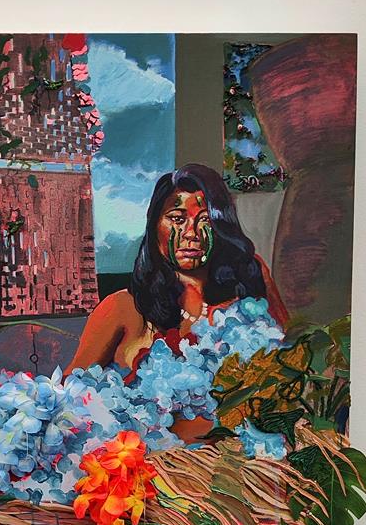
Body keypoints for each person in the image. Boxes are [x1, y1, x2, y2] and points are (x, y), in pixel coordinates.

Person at [69, 163, 289, 441]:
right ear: (155, 225)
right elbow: (70, 400)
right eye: (176, 218)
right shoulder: (122, 308)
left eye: (205, 220)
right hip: (148, 463)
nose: (191, 233)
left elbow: (292, 368)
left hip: (239, 460)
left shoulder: (249, 288)